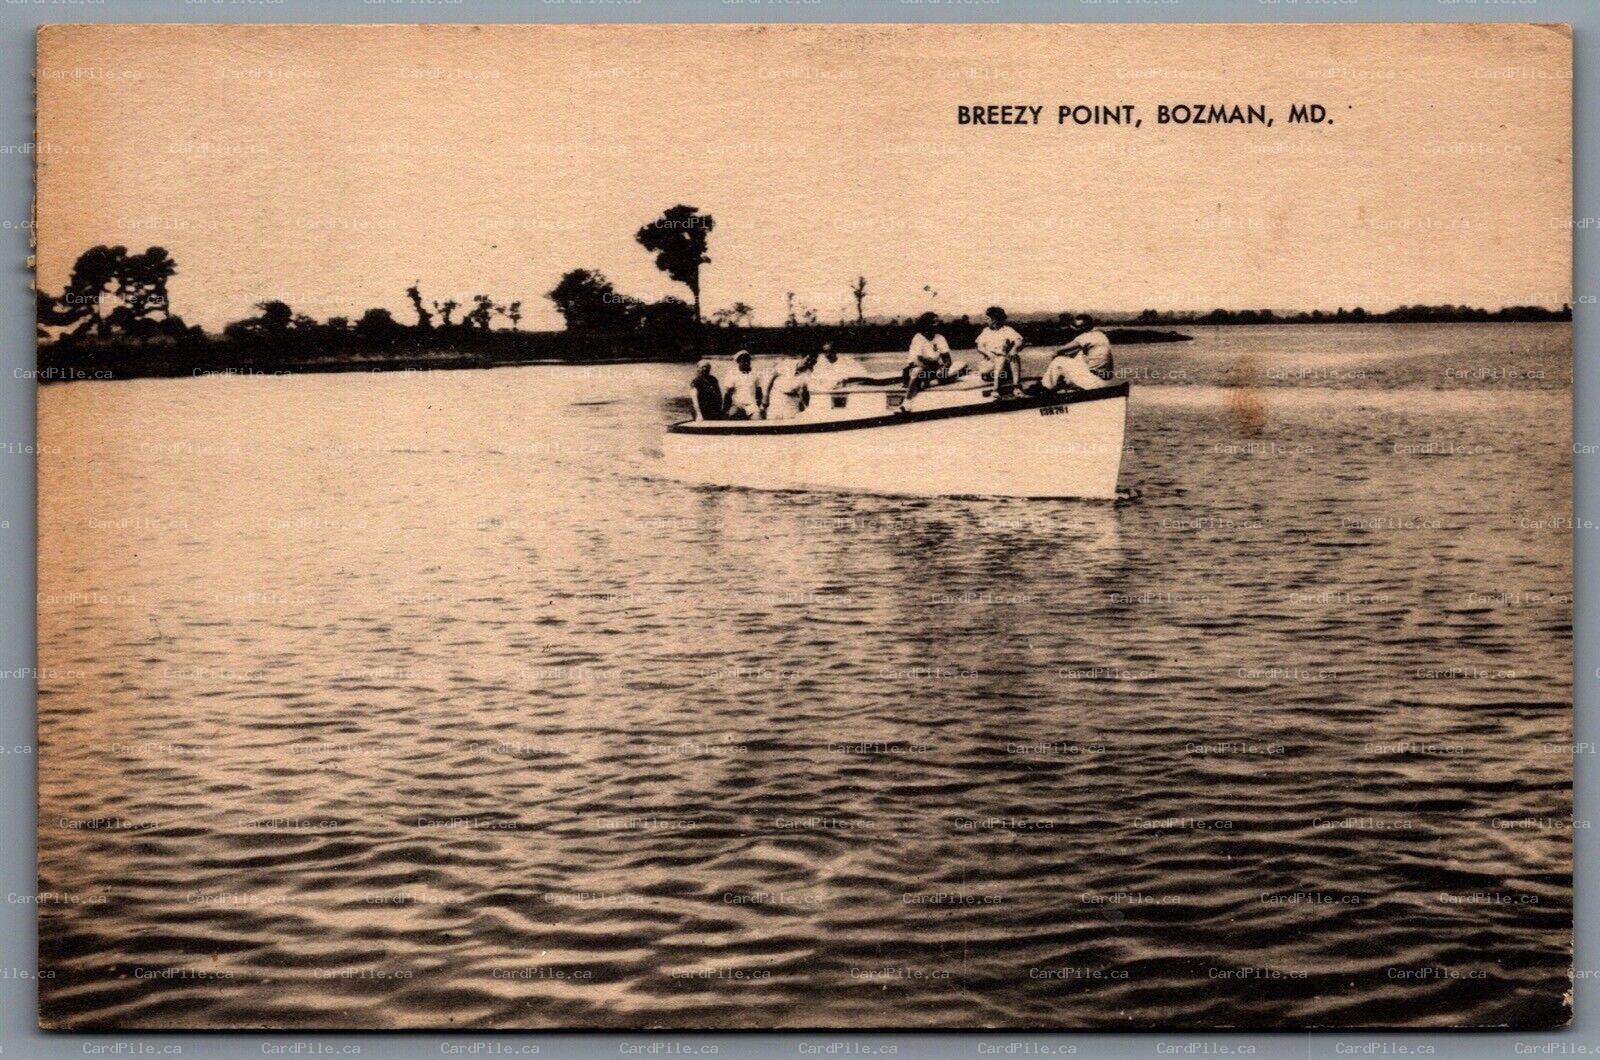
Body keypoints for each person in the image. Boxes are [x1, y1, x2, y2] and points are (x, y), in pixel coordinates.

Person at [975, 305, 1026, 399]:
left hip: (1004, 369)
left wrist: (1014, 349)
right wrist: (989, 353)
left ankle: (1016, 387)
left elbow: (1019, 341)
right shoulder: (985, 331)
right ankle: (995, 389)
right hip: (989, 367)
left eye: (987, 318)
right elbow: (979, 347)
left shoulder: (1007, 330)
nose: (985, 321)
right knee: (1001, 358)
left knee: (1014, 357)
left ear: (994, 319)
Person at [904, 312, 953, 401]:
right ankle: (907, 401)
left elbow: (947, 360)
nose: (937, 325)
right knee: (917, 371)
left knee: (960, 365)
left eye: (938, 322)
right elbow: (917, 361)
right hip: (918, 368)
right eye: (934, 322)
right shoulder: (918, 338)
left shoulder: (940, 338)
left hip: (934, 369)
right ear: (925, 325)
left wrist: (943, 368)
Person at [764, 351, 817, 420]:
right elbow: (771, 379)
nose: (809, 363)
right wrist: (766, 396)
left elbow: (805, 393)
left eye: (812, 361)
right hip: (777, 397)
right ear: (802, 357)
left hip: (792, 402)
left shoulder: (808, 374)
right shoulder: (787, 363)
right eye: (808, 359)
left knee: (790, 423)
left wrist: (807, 408)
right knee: (772, 421)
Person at [1063, 313, 1114, 381]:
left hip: (1093, 376)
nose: (1077, 330)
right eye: (1077, 327)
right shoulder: (1100, 334)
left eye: (1079, 327)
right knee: (1078, 356)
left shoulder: (1083, 337)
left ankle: (1050, 386)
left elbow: (1058, 351)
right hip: (1107, 376)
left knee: (1059, 360)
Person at [723, 350, 762, 419]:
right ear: (738, 362)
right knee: (732, 415)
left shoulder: (755, 374)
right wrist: (726, 409)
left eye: (748, 361)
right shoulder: (732, 374)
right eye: (743, 361)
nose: (746, 363)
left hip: (751, 405)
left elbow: (759, 391)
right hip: (737, 405)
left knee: (757, 419)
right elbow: (728, 393)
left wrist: (758, 405)